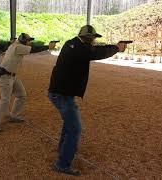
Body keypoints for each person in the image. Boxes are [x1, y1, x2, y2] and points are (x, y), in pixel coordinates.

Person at [48, 25, 127, 176]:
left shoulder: (73, 44)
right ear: (89, 38)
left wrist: (113, 46)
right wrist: (117, 48)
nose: (94, 41)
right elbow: (97, 52)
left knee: (69, 123)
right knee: (75, 128)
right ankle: (62, 164)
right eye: (93, 39)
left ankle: (63, 150)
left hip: (61, 92)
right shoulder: (80, 49)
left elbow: (95, 49)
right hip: (62, 94)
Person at [0, 33, 56, 132]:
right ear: (24, 41)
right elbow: (34, 49)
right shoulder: (18, 47)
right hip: (5, 76)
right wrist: (48, 47)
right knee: (5, 100)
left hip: (11, 76)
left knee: (21, 95)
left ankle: (14, 115)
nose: (30, 42)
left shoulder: (16, 45)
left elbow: (31, 48)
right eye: (28, 41)